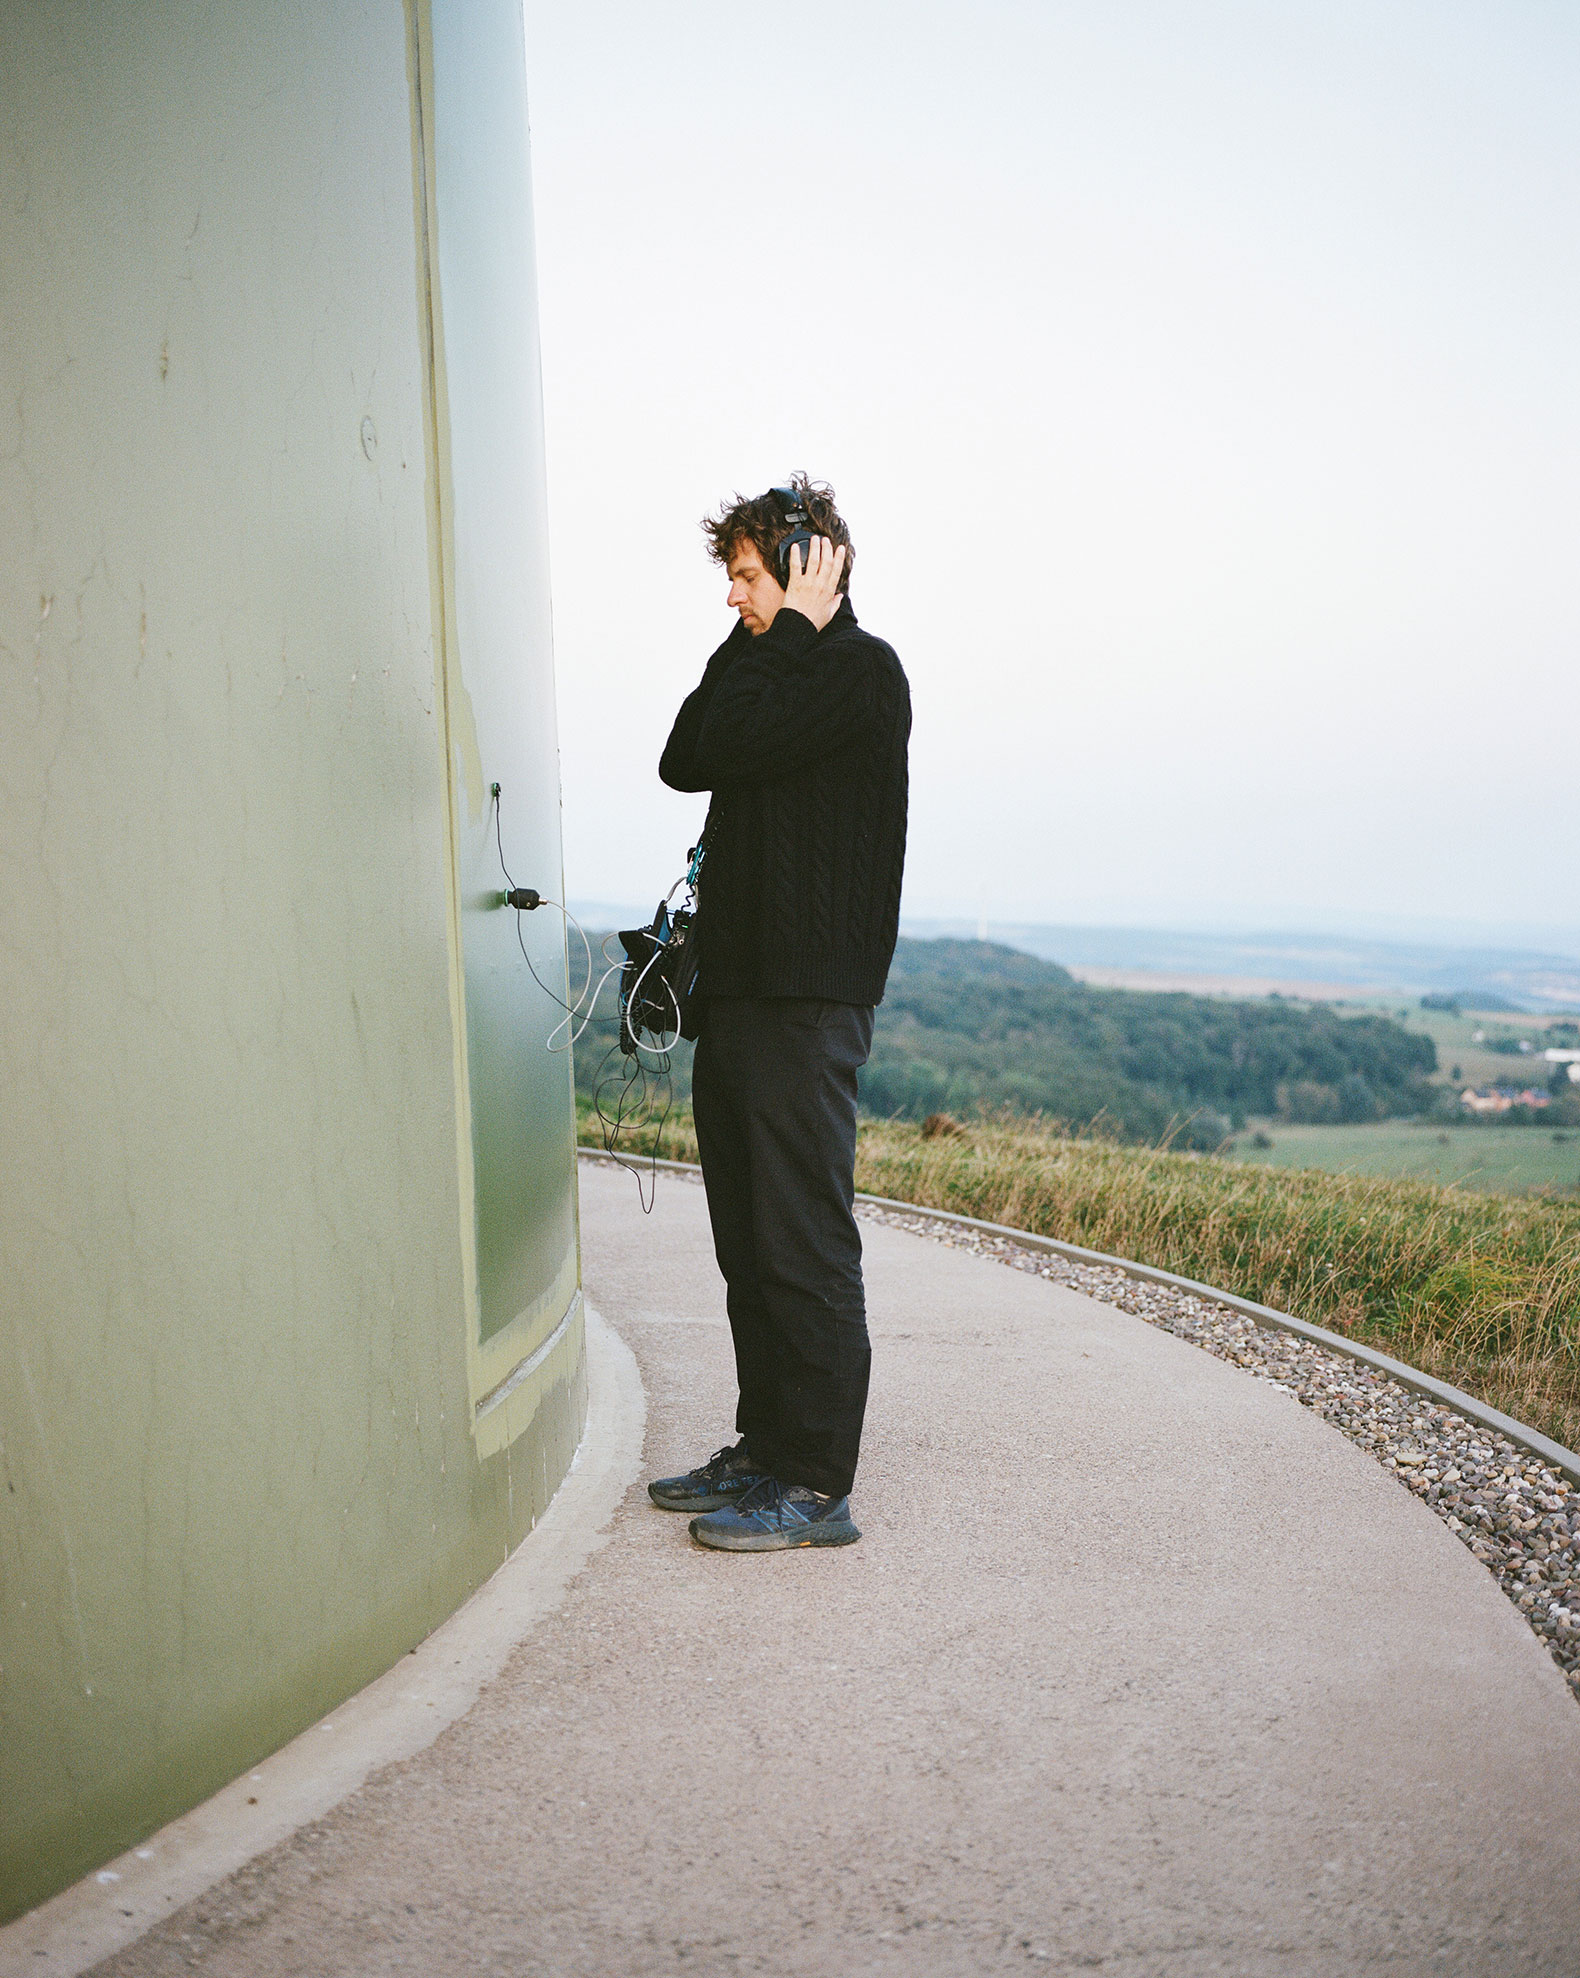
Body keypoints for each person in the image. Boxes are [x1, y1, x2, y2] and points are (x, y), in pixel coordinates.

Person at [647, 475, 911, 1552]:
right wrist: (765, 630)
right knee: (748, 1245)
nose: (731, 599)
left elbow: (746, 741)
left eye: (748, 576)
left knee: (801, 1242)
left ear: (812, 565)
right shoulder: (769, 661)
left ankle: (814, 1483)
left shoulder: (857, 672)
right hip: (742, 996)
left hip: (807, 1000)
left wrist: (796, 623)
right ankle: (762, 1445)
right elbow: (685, 757)